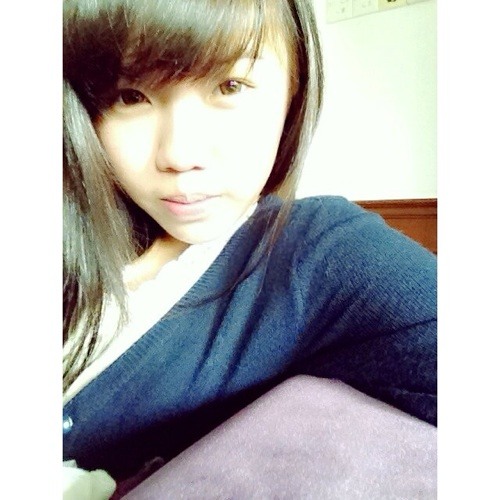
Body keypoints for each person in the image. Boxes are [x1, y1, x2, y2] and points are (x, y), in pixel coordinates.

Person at [63, 0, 437, 497]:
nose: (179, 155)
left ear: (293, 90)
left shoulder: (317, 253)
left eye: (229, 86)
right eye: (130, 96)